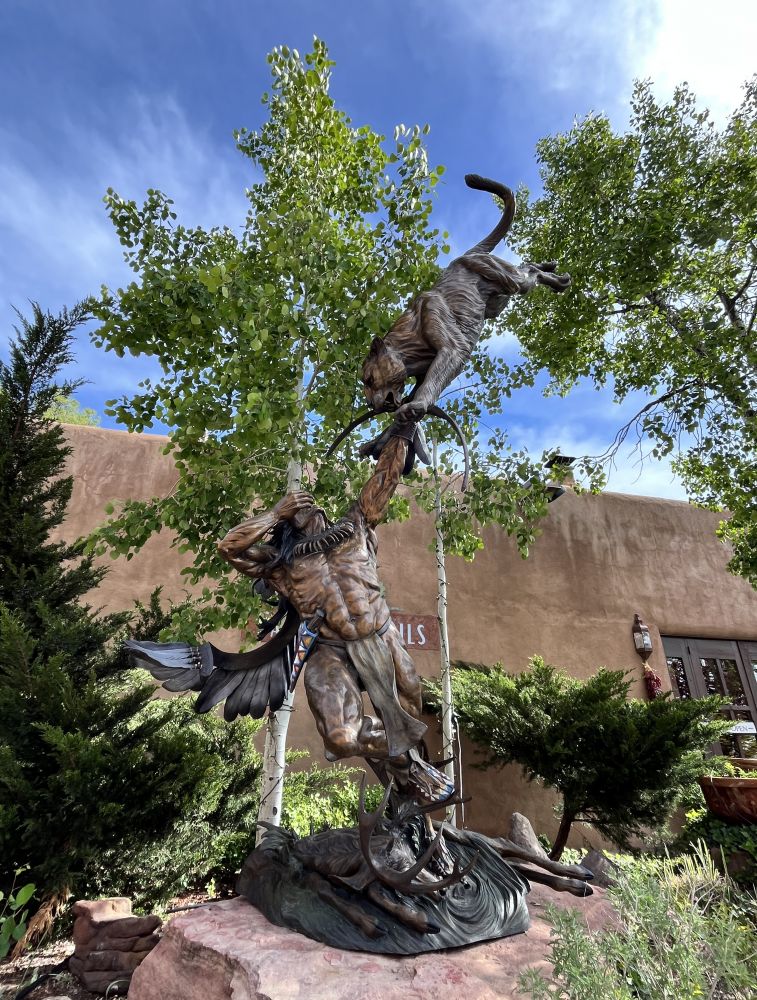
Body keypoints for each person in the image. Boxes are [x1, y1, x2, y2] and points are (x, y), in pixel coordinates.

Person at [217, 426, 452, 804]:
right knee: (340, 738)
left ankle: (405, 774)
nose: (310, 507)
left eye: (312, 504)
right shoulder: (280, 564)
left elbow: (387, 475)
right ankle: (405, 763)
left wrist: (405, 426)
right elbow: (229, 547)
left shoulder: (357, 525)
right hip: (331, 651)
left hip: (381, 636)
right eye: (298, 508)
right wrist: (275, 512)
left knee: (411, 714)